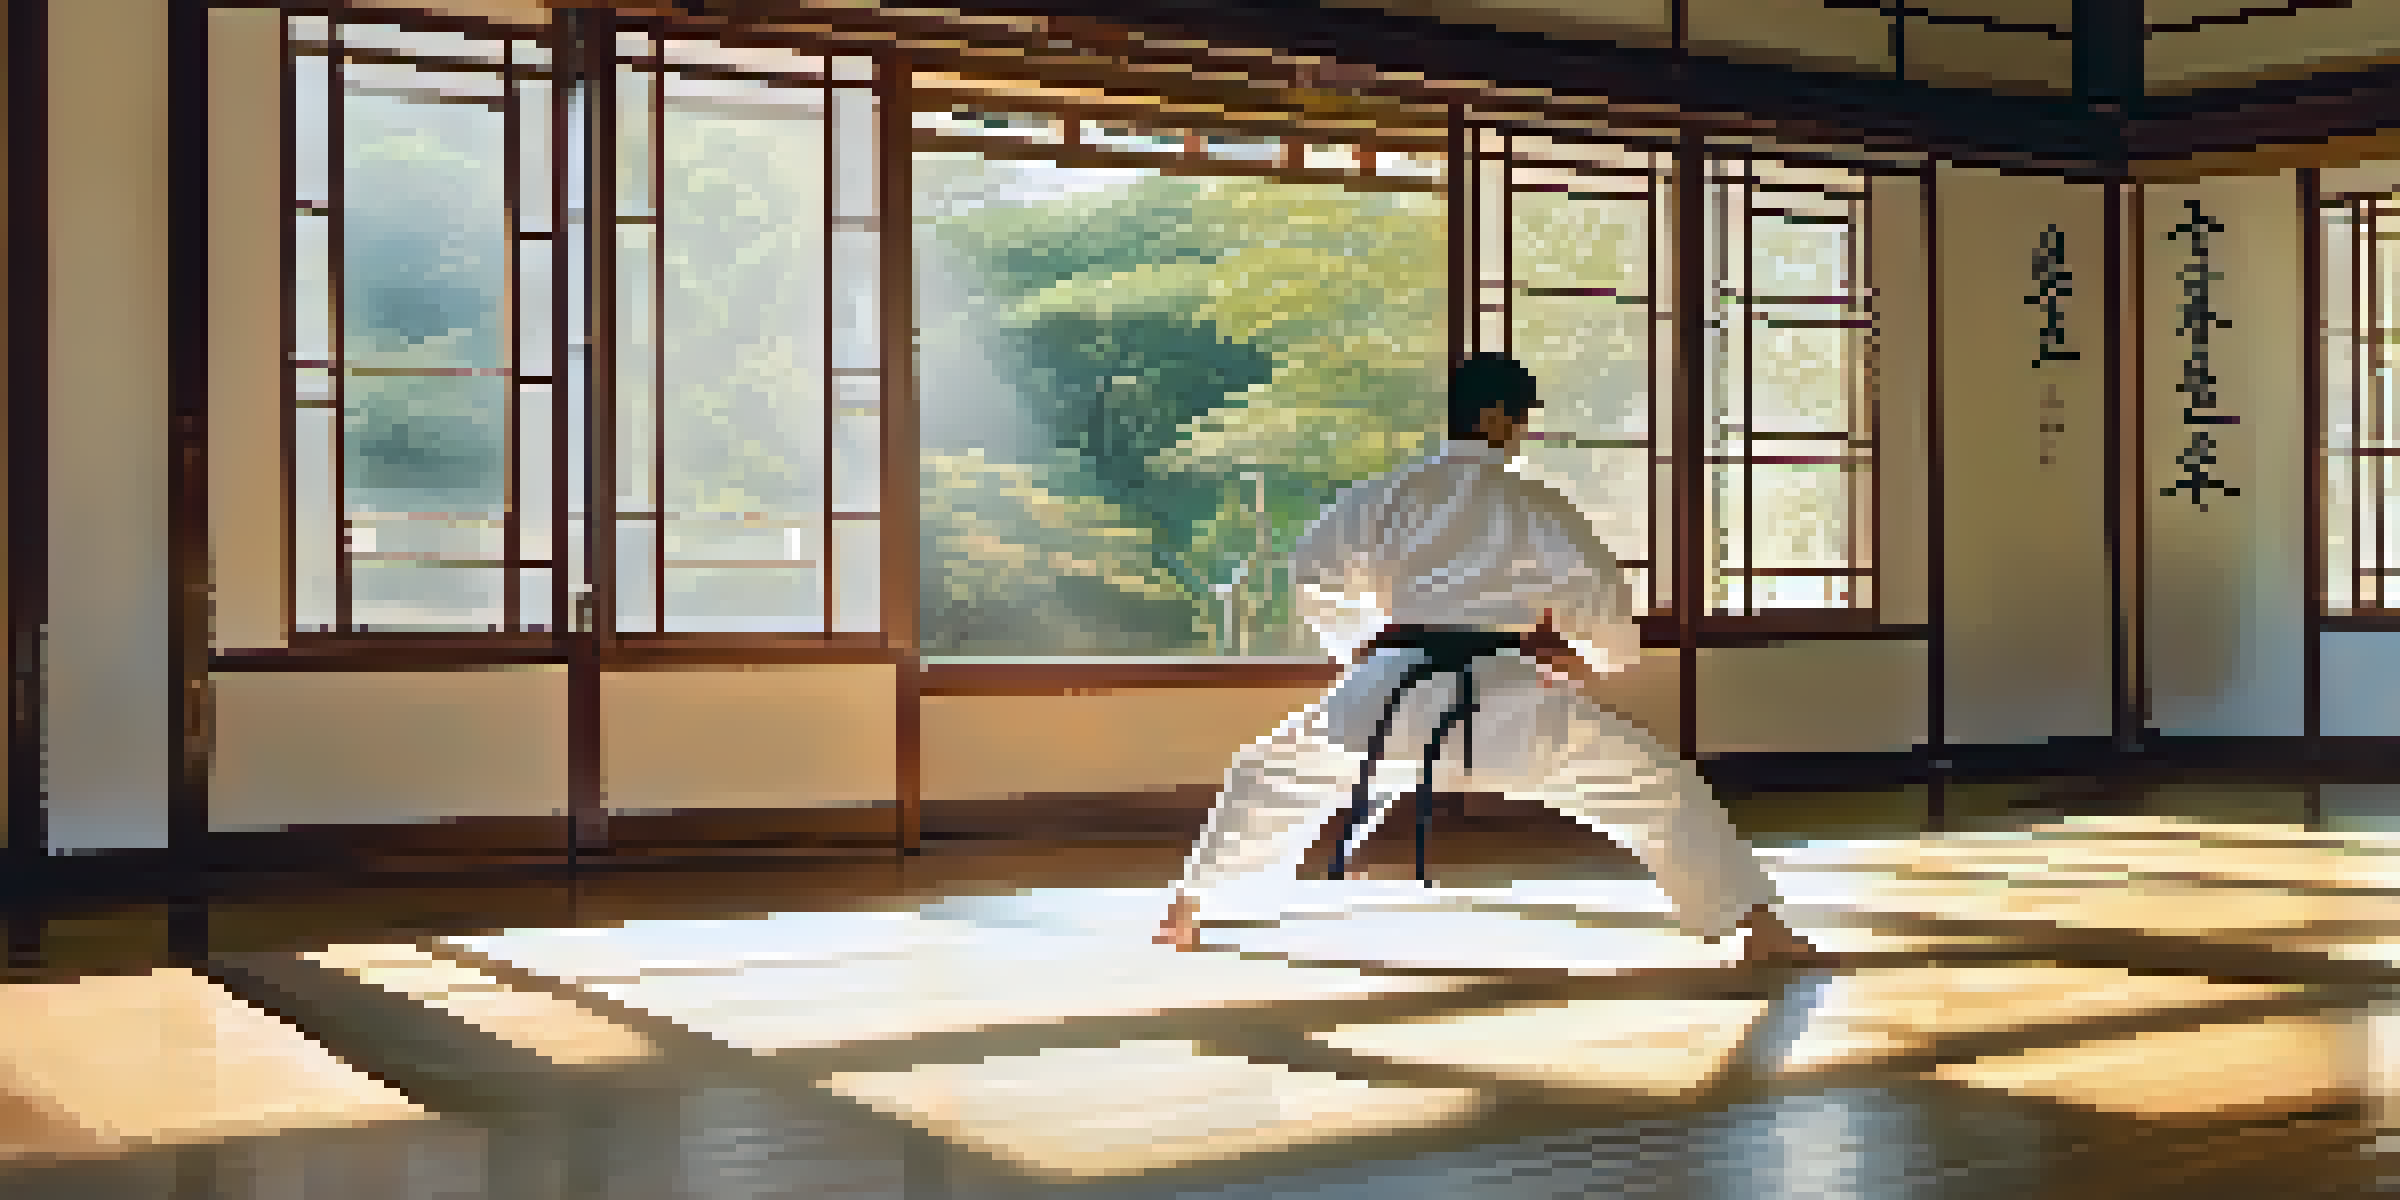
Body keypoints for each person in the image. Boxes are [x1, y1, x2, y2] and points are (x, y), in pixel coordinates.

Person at [1154, 352, 1832, 967]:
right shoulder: (1532, 504)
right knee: (1660, 787)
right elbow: (1597, 600)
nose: (1521, 433)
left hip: (1385, 696)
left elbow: (1312, 574)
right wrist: (1596, 654)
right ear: (1494, 416)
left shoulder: (1385, 494)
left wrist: (1363, 645)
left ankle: (1188, 908)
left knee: (1267, 776)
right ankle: (1757, 927)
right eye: (1519, 418)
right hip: (1503, 703)